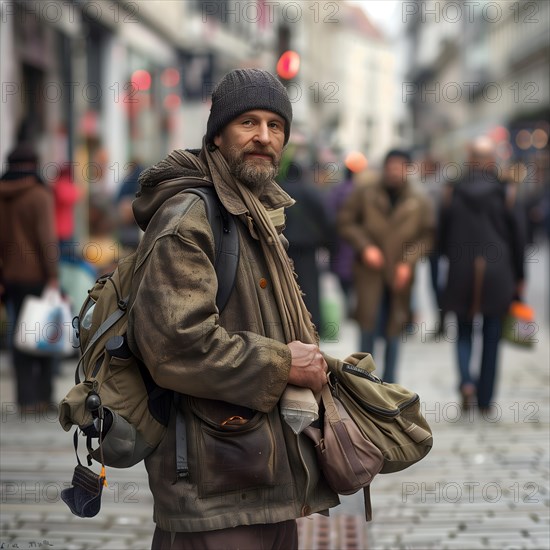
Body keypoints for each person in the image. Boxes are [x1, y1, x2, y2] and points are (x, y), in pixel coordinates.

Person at [127, 69, 340, 549]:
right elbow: (176, 346)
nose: (264, 137)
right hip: (215, 481)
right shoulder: (191, 218)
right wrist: (286, 363)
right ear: (218, 134)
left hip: (262, 470)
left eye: (275, 125)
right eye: (248, 122)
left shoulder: (254, 212)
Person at [439, 137, 526, 412]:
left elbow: (440, 235)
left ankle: (466, 382)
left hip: (461, 270)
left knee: (463, 331)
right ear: (491, 161)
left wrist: (449, 258)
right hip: (498, 273)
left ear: (469, 159)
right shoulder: (506, 192)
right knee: (492, 334)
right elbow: (519, 239)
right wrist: (520, 276)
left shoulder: (453, 190)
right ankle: (486, 398)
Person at [337, 149, 434, 383]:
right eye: (390, 166)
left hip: (399, 275)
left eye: (400, 167)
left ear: (408, 169)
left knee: (395, 329)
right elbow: (345, 222)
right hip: (370, 272)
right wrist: (365, 247)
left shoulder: (419, 200)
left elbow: (427, 237)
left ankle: (390, 386)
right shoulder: (365, 192)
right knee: (368, 326)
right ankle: (362, 384)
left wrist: (408, 262)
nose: (394, 171)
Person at [0, 142, 59, 414]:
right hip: (37, 276)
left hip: (9, 277)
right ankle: (43, 398)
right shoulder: (39, 194)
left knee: (18, 339)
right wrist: (53, 275)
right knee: (43, 336)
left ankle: (25, 400)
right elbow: (47, 240)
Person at [279, 161, 334, 332]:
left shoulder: (279, 191)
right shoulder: (310, 191)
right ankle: (312, 325)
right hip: (308, 248)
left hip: (282, 246)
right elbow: (324, 219)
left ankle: (287, 325)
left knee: (284, 285)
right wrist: (329, 245)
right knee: (309, 288)